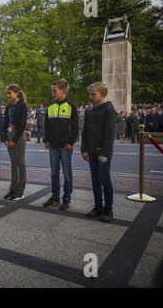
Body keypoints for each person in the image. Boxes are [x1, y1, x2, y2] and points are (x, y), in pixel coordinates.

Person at [81, 82, 117, 222]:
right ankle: (98, 206)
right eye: (89, 94)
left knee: (105, 179)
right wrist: (84, 149)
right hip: (91, 151)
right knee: (95, 180)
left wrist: (105, 153)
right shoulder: (89, 111)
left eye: (93, 94)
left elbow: (110, 135)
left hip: (103, 152)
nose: (90, 97)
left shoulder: (109, 111)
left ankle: (108, 210)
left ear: (102, 93)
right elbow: (85, 133)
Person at [43, 79, 79, 210]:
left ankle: (66, 199)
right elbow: (46, 126)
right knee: (53, 173)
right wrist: (46, 140)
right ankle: (55, 197)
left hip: (65, 146)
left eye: (54, 90)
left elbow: (75, 126)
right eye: (52, 90)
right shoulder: (50, 107)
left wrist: (71, 142)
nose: (52, 93)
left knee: (67, 173)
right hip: (52, 146)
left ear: (63, 91)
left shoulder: (71, 106)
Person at [2, 84, 28, 201]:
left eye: (10, 93)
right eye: (7, 93)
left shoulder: (22, 106)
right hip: (9, 135)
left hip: (18, 137)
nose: (8, 95)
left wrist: (14, 140)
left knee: (20, 163)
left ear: (16, 93)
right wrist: (5, 139)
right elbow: (5, 124)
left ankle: (20, 191)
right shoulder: (8, 107)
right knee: (13, 164)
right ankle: (12, 190)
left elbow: (22, 125)